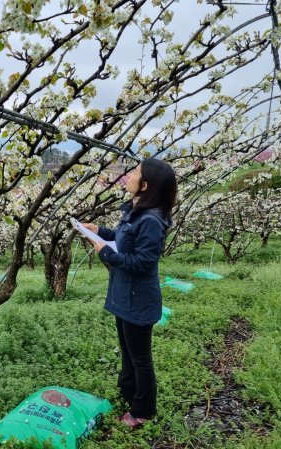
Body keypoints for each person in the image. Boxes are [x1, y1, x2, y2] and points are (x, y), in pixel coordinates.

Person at [83, 157, 177, 429]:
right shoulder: (135, 211)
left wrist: (108, 255)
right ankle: (128, 392)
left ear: (145, 185)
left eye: (135, 172)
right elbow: (123, 238)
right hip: (125, 296)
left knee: (140, 358)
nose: (129, 175)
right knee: (127, 350)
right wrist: (98, 231)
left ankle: (142, 410)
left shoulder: (150, 220)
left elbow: (143, 262)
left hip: (138, 299)